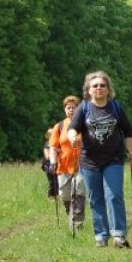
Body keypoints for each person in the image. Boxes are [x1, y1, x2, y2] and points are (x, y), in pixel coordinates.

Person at [68, 71, 132, 248]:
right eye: (95, 86)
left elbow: (128, 131)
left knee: (114, 195)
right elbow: (72, 128)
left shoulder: (116, 107)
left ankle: (119, 235)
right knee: (95, 198)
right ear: (88, 90)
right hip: (89, 161)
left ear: (108, 89)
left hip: (113, 158)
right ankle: (101, 235)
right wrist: (73, 137)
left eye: (102, 85)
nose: (99, 88)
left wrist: (131, 150)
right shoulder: (84, 108)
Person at [49, 95, 86, 230]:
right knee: (65, 195)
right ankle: (70, 214)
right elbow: (53, 147)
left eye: (74, 107)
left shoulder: (85, 125)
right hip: (63, 167)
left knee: (79, 194)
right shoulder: (59, 127)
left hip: (82, 166)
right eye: (68, 108)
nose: (71, 110)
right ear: (65, 110)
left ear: (78, 109)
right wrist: (53, 163)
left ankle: (77, 225)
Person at [42, 128, 58, 198]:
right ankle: (50, 197)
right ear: (48, 136)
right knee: (52, 181)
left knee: (58, 182)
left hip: (57, 165)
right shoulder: (47, 144)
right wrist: (54, 154)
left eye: (54, 134)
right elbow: (47, 156)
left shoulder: (57, 144)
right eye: (50, 134)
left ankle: (56, 196)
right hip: (48, 165)